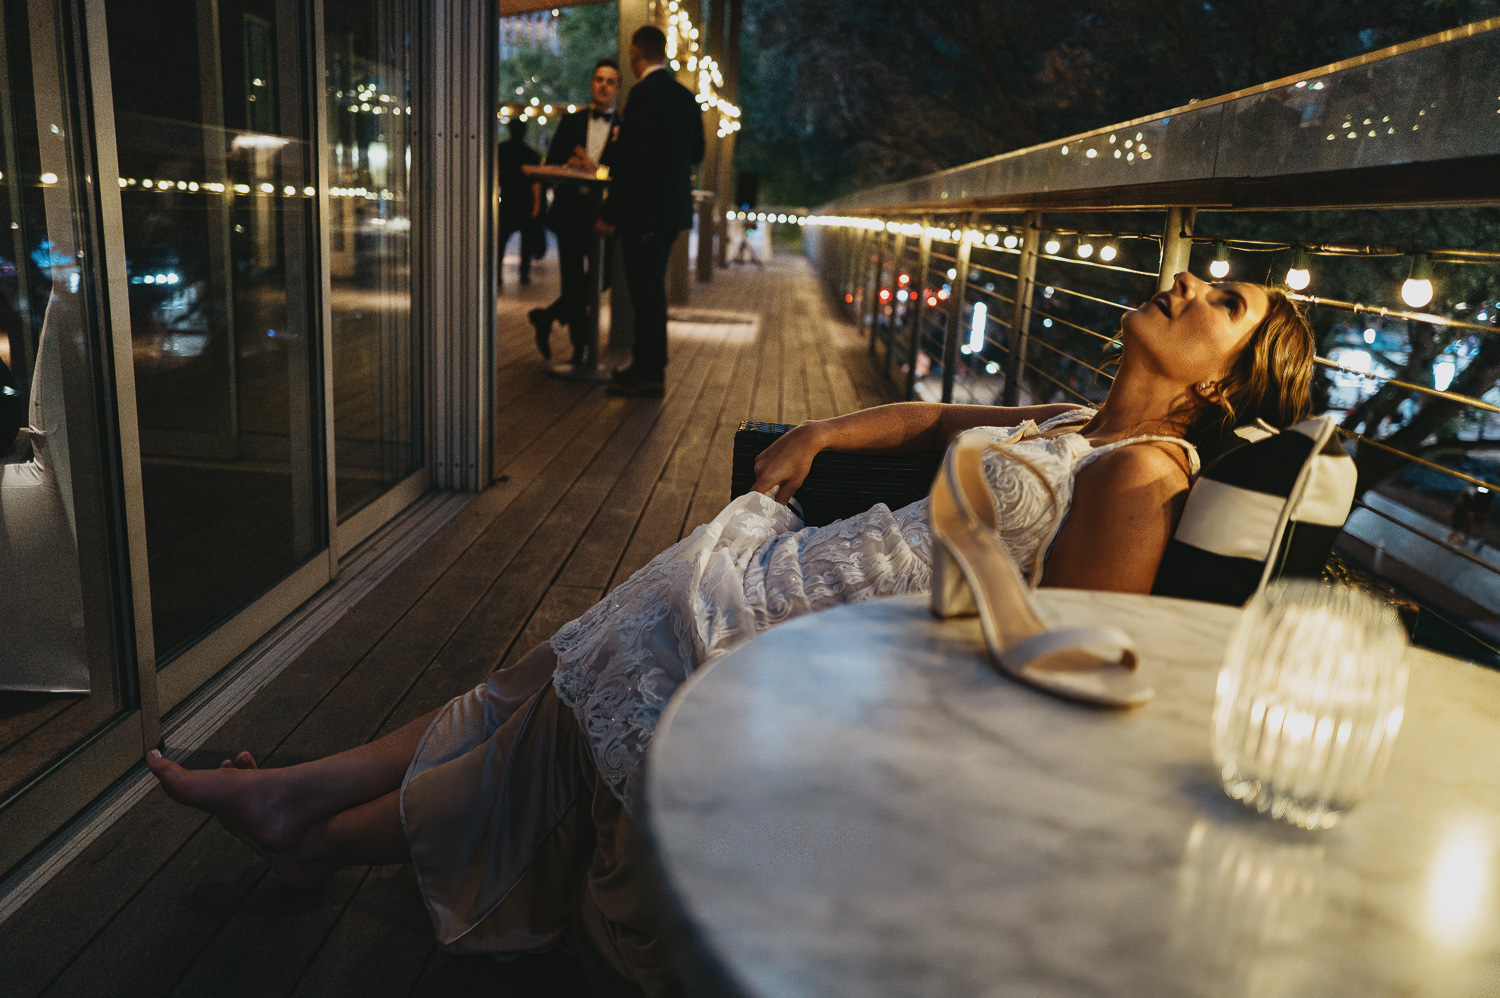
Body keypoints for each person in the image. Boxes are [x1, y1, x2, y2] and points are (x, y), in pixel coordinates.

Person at [145, 272, 1314, 992]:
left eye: (1223, 303)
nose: (1187, 282)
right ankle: (307, 809)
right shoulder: (1075, 415)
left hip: (846, 636)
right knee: (564, 665)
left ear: (1221, 385)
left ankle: (311, 812)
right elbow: (935, 411)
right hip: (806, 576)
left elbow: (1061, 652)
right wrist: (818, 429)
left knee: (583, 666)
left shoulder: (1143, 473)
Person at [595, 25, 705, 398]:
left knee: (647, 292)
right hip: (672, 211)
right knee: (651, 289)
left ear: (635, 52)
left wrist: (610, 213)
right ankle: (646, 365)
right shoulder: (685, 97)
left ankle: (649, 370)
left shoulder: (643, 95)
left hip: (645, 212)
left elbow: (632, 162)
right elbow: (698, 153)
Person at [529, 58, 621, 364]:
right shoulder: (571, 122)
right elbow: (553, 162)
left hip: (603, 213)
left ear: (617, 89)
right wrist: (571, 165)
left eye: (610, 81)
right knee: (571, 279)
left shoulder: (624, 128)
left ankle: (548, 316)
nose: (603, 85)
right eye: (599, 79)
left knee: (603, 276)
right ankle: (580, 349)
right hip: (570, 211)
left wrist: (594, 169)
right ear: (591, 84)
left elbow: (624, 172)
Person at [496, 118, 542, 289]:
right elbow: (535, 183)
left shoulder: (501, 150)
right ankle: (524, 274)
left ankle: (498, 274)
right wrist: (536, 205)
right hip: (525, 201)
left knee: (501, 240)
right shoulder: (530, 154)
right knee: (526, 242)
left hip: (508, 199)